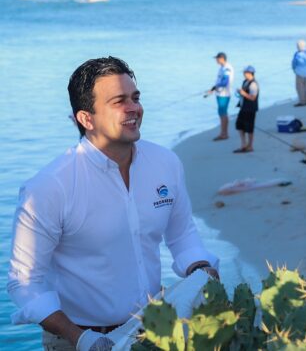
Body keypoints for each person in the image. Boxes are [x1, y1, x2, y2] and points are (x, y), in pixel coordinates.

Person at [7, 57, 219, 351]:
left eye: (135, 98)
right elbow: (25, 282)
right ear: (86, 118)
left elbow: (182, 235)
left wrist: (200, 266)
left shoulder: (166, 163)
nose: (134, 108)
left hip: (155, 328)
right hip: (75, 339)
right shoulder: (48, 187)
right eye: (119, 101)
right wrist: (80, 338)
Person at [205, 52, 233, 140]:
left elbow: (225, 82)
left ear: (221, 58)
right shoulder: (222, 68)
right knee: (221, 113)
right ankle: (223, 133)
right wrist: (213, 89)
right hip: (220, 93)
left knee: (223, 113)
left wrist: (215, 87)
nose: (216, 60)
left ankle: (224, 134)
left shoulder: (227, 68)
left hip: (224, 94)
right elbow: (220, 81)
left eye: (217, 58)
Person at [234, 65, 259, 153]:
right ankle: (244, 144)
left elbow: (253, 98)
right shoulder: (245, 82)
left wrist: (243, 93)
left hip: (250, 109)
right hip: (243, 107)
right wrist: (240, 92)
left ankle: (250, 146)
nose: (244, 74)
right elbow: (244, 93)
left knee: (249, 128)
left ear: (249, 73)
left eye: (245, 73)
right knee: (239, 125)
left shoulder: (253, 84)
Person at [292, 39, 306, 106]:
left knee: (299, 88)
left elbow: (294, 63)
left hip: (299, 73)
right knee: (305, 87)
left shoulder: (297, 55)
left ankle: (302, 101)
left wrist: (293, 68)